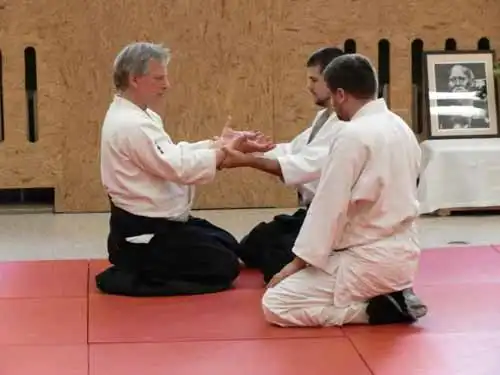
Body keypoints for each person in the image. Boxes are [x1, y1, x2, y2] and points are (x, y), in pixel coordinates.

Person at [259, 53, 428, 327]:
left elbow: (329, 207)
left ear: (339, 94)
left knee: (276, 303)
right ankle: (385, 296)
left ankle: (371, 311)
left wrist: (296, 264)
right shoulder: (401, 126)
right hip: (403, 255)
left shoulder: (352, 134)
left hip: (367, 261)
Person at [95, 42, 274, 297]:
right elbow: (175, 167)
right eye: (158, 78)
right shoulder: (130, 125)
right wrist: (223, 154)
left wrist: (219, 144)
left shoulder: (142, 116)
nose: (166, 84)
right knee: (223, 268)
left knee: (228, 245)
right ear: (135, 79)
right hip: (142, 230)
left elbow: (172, 153)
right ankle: (127, 275)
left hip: (165, 219)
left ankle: (145, 262)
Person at [223, 47, 345, 283]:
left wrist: (248, 161)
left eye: (313, 80)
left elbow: (306, 165)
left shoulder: (345, 125)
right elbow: (294, 150)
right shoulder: (324, 118)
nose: (309, 86)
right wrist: (252, 148)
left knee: (275, 259)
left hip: (332, 220)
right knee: (254, 243)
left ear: (333, 82)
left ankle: (332, 263)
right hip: (309, 214)